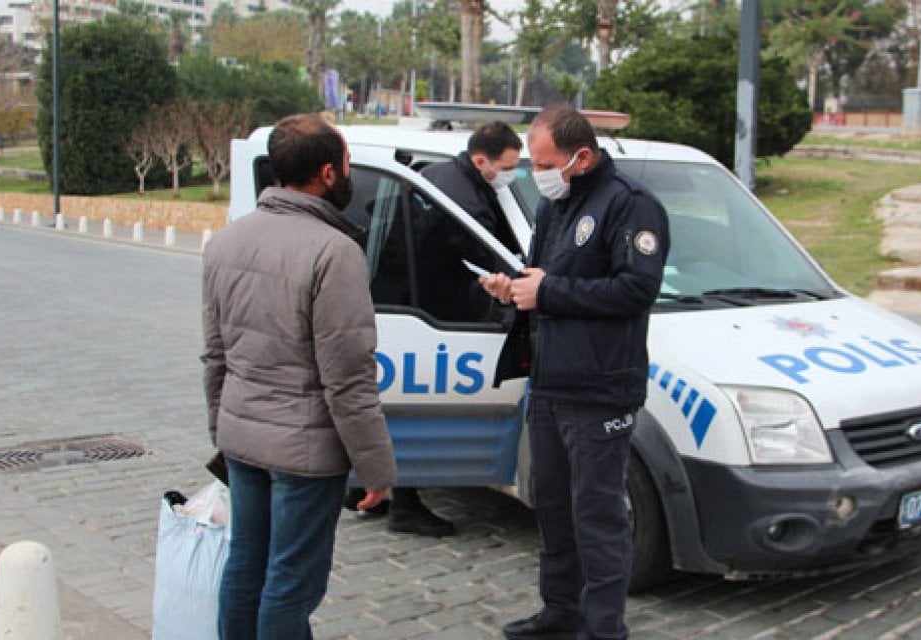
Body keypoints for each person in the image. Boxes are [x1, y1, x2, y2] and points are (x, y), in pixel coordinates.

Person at [201, 113, 396, 639]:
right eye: (348, 162)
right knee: (290, 582)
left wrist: (223, 429)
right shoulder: (334, 252)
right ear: (329, 173)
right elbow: (349, 378)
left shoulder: (226, 241)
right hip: (305, 455)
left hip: (244, 438)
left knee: (246, 564)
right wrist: (376, 470)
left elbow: (214, 356)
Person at [480, 104, 670, 640]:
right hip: (551, 383)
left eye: (544, 163)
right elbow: (547, 278)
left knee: (598, 518)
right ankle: (560, 611)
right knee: (555, 511)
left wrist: (548, 290)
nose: (537, 174)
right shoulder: (556, 207)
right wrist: (515, 287)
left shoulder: (630, 206)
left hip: (600, 389)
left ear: (580, 156)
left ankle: (604, 628)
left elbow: (637, 289)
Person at [346, 121, 524, 538]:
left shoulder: (439, 174)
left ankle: (360, 487)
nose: (512, 174)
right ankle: (405, 505)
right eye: (510, 166)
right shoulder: (468, 199)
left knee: (382, 411)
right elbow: (490, 255)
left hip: (402, 295)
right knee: (400, 410)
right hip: (424, 309)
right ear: (483, 161)